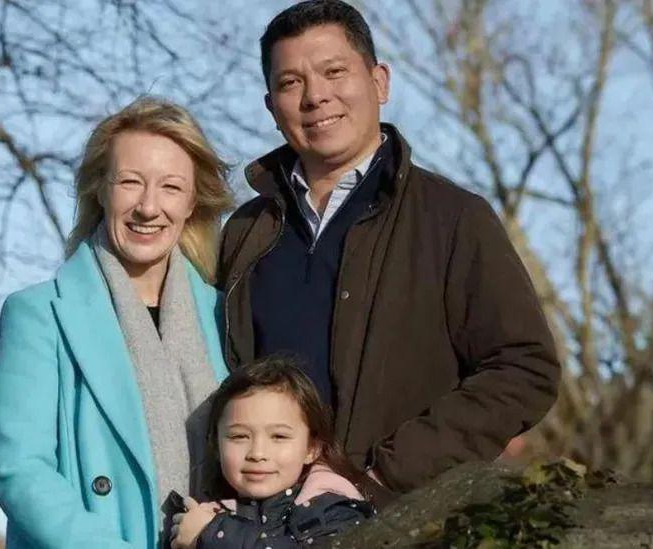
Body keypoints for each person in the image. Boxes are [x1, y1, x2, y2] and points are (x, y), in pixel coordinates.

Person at [218, 0, 561, 508]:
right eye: (291, 83)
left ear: (379, 82)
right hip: (258, 524)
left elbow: (523, 368)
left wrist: (380, 475)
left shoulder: (452, 218)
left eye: (335, 72)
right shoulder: (245, 231)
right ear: (271, 107)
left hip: (400, 519)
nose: (316, 96)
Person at [0, 97, 234, 549]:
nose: (148, 207)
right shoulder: (39, 315)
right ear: (100, 189)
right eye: (130, 182)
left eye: (170, 188)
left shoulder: (225, 316)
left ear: (192, 201)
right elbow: (21, 472)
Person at [171, 357, 376, 549]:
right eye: (239, 436)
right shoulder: (210, 514)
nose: (258, 453)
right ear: (215, 445)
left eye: (279, 436)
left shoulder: (333, 508)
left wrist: (214, 533)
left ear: (312, 448)